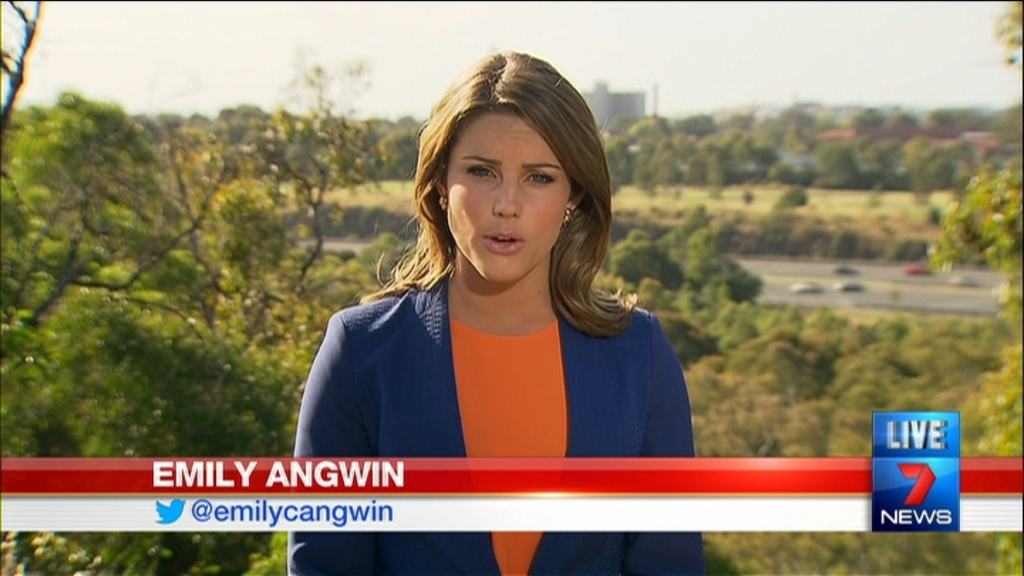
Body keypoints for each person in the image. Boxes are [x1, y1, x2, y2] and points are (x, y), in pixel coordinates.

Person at [288, 50, 706, 576]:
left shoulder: (639, 358)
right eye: (482, 171)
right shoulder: (362, 354)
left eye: (539, 177)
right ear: (441, 183)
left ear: (574, 194)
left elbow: (671, 565)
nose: (507, 204)